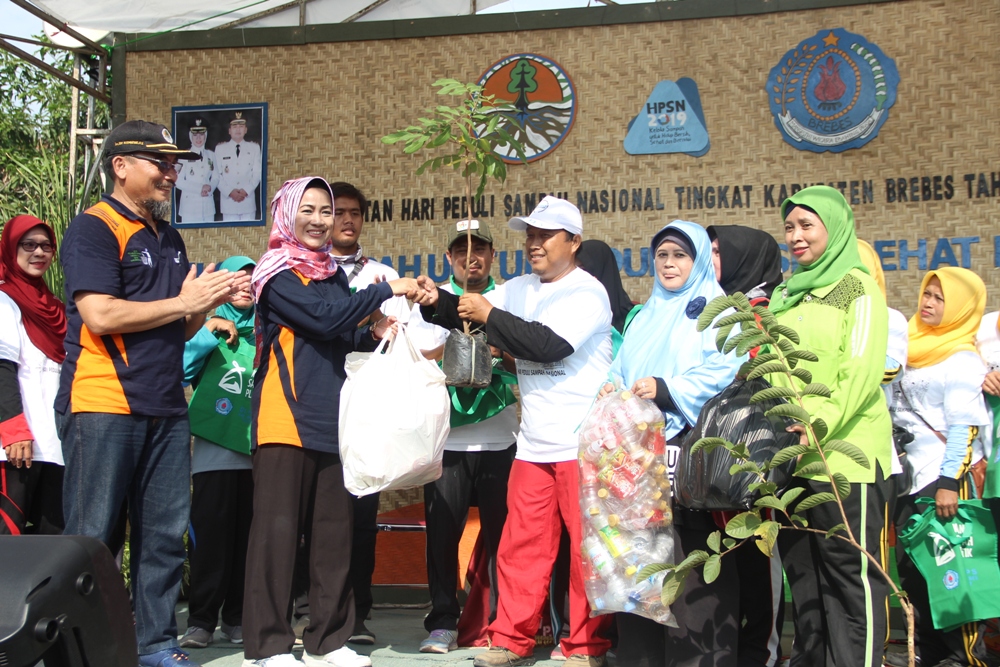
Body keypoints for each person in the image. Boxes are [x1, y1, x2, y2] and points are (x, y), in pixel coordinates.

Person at [57, 119, 249, 667]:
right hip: (104, 403)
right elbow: (100, 314)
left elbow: (178, 328)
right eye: (160, 163)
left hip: (166, 405)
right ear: (120, 166)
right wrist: (185, 303)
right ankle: (82, 649)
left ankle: (157, 643)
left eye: (175, 165)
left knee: (163, 535)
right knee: (94, 537)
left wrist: (206, 304)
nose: (171, 173)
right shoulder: (94, 228)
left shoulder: (168, 237)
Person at [415, 196, 613, 667]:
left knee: (585, 552)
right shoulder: (518, 288)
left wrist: (487, 313)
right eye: (529, 235)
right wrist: (435, 301)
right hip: (533, 445)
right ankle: (509, 638)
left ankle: (584, 646)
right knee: (520, 546)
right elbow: (468, 313)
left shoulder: (588, 292)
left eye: (545, 235)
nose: (534, 243)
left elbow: (546, 345)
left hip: (581, 444)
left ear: (574, 241)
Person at [241, 176, 420, 667]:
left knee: (334, 536)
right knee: (277, 536)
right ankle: (268, 645)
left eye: (327, 212)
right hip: (285, 419)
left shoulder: (331, 276)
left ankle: (329, 640)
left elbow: (337, 338)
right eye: (310, 210)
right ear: (287, 214)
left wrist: (373, 334)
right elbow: (321, 319)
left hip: (334, 421)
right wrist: (385, 290)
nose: (321, 221)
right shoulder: (275, 273)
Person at [599, 221, 745, 667]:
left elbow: (727, 370)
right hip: (638, 455)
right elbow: (620, 367)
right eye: (662, 255)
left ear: (698, 261)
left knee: (690, 560)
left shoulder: (721, 312)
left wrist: (666, 389)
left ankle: (699, 658)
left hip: (690, 452)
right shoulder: (645, 315)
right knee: (640, 559)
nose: (668, 264)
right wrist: (611, 389)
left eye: (680, 255)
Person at [766, 185, 892, 667]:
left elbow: (860, 370)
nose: (795, 236)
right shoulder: (785, 294)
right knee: (805, 581)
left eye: (807, 225)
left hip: (843, 457)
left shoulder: (858, 288)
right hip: (792, 458)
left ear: (834, 228)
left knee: (850, 579)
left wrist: (817, 422)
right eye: (789, 227)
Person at [406, 219, 518, 653]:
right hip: (447, 442)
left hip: (501, 439)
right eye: (461, 250)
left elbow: (524, 355)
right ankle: (442, 621)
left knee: (505, 538)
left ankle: (502, 621)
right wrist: (460, 343)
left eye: (480, 249)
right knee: (442, 536)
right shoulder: (430, 302)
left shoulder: (506, 300)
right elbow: (416, 357)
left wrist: (499, 347)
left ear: (492, 255)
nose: (471, 257)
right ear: (449, 258)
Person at [887, 267, 990, 667]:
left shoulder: (962, 359)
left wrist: (949, 482)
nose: (928, 303)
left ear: (961, 307)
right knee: (914, 573)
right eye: (927, 294)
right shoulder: (909, 344)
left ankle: (963, 656)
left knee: (953, 571)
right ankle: (926, 652)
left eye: (940, 298)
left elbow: (964, 427)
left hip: (941, 479)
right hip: (906, 478)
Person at [328, 181, 411, 646]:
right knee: (317, 516)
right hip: (320, 403)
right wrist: (363, 319)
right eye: (337, 212)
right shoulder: (309, 269)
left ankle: (358, 614)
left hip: (368, 407)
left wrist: (385, 327)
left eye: (354, 213)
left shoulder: (383, 274)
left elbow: (400, 334)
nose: (346, 220)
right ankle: (313, 610)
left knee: (362, 514)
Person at [703, 224, 785, 667]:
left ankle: (761, 653)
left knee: (759, 558)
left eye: (719, 251)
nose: (711, 258)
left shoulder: (764, 311)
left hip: (755, 459)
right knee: (727, 561)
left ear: (744, 258)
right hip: (718, 460)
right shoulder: (715, 306)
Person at [179, 255, 258, 649]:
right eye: (237, 280)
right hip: (213, 457)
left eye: (252, 281)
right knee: (209, 540)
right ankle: (201, 621)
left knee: (249, 541)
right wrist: (209, 330)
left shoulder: (268, 329)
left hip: (258, 456)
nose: (245, 287)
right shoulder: (206, 325)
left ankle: (238, 619)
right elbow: (179, 370)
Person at [0, 215, 66, 535]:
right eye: (28, 245)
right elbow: (2, 369)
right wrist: (14, 432)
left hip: (54, 448)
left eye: (46, 246)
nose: (39, 252)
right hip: (14, 448)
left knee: (52, 546)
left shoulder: (57, 309)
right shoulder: (4, 301)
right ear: (10, 248)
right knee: (7, 540)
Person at [576, 239, 639, 355]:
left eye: (583, 269)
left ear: (602, 270)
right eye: (573, 271)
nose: (577, 277)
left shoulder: (637, 319)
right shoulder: (570, 316)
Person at [215, 113, 262, 221]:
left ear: (246, 129)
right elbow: (217, 175)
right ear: (229, 130)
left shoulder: (254, 148)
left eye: (241, 126)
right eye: (234, 126)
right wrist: (230, 192)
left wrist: (246, 191)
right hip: (228, 204)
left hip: (247, 203)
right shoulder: (220, 149)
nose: (238, 129)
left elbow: (257, 173)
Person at [175, 117, 218, 223]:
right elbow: (177, 180)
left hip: (208, 207)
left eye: (201, 134)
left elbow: (216, 177)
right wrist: (200, 188)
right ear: (190, 136)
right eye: (195, 135)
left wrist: (209, 188)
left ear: (206, 135)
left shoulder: (211, 155)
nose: (198, 138)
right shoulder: (183, 156)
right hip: (189, 208)